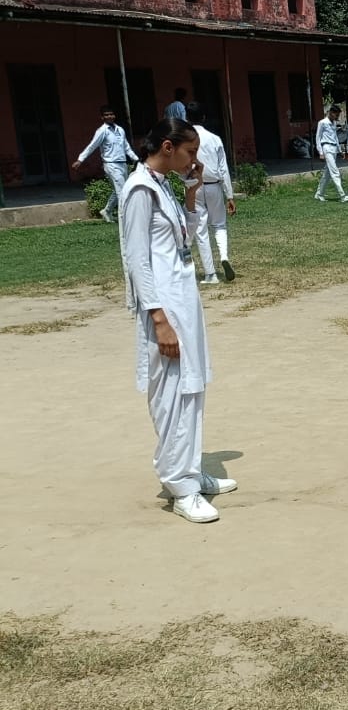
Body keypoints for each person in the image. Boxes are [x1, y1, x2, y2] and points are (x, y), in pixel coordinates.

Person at [118, 116, 237, 522]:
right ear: (167, 147)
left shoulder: (163, 185)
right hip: (164, 306)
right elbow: (137, 260)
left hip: (183, 300)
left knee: (192, 387)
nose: (194, 160)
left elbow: (181, 239)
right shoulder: (139, 190)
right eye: (190, 152)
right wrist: (158, 318)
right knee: (172, 395)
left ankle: (191, 470)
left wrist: (191, 192)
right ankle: (180, 486)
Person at [184, 104, 236, 280]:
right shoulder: (214, 139)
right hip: (214, 185)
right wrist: (229, 195)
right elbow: (224, 168)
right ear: (204, 117)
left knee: (200, 228)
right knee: (219, 224)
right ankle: (224, 256)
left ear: (187, 118)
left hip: (194, 186)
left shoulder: (184, 140)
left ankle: (210, 274)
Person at [73, 107, 138, 223]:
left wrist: (137, 159)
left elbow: (126, 147)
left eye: (111, 114)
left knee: (121, 189)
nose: (109, 116)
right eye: (106, 115)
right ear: (102, 117)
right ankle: (125, 218)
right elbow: (92, 146)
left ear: (114, 115)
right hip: (111, 164)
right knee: (122, 192)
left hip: (122, 164)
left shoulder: (120, 130)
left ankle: (106, 211)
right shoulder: (102, 131)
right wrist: (80, 160)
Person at [314, 105, 348, 202]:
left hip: (334, 148)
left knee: (327, 173)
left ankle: (319, 194)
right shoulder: (322, 122)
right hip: (326, 147)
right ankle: (342, 196)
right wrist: (320, 152)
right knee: (335, 172)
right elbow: (318, 138)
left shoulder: (334, 123)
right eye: (336, 115)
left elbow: (335, 137)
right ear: (331, 113)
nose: (337, 117)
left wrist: (340, 150)